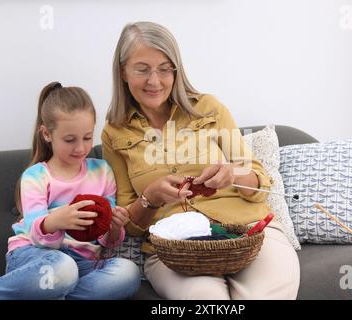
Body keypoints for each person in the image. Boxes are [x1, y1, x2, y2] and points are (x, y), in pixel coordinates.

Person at [102, 21, 300, 299]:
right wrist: (150, 196)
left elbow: (259, 181)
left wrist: (232, 173)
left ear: (176, 69)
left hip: (248, 232)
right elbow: (130, 225)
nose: (154, 81)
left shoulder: (209, 108)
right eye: (142, 69)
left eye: (164, 68)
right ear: (123, 71)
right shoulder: (115, 132)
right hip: (175, 250)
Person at [0, 82, 141, 300]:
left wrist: (115, 227)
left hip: (84, 264)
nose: (80, 148)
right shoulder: (36, 176)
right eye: (69, 140)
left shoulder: (102, 171)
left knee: (128, 272)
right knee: (64, 268)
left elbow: (105, 242)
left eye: (88, 137)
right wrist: (57, 220)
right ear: (47, 134)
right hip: (36, 256)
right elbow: (36, 235)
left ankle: (57, 295)